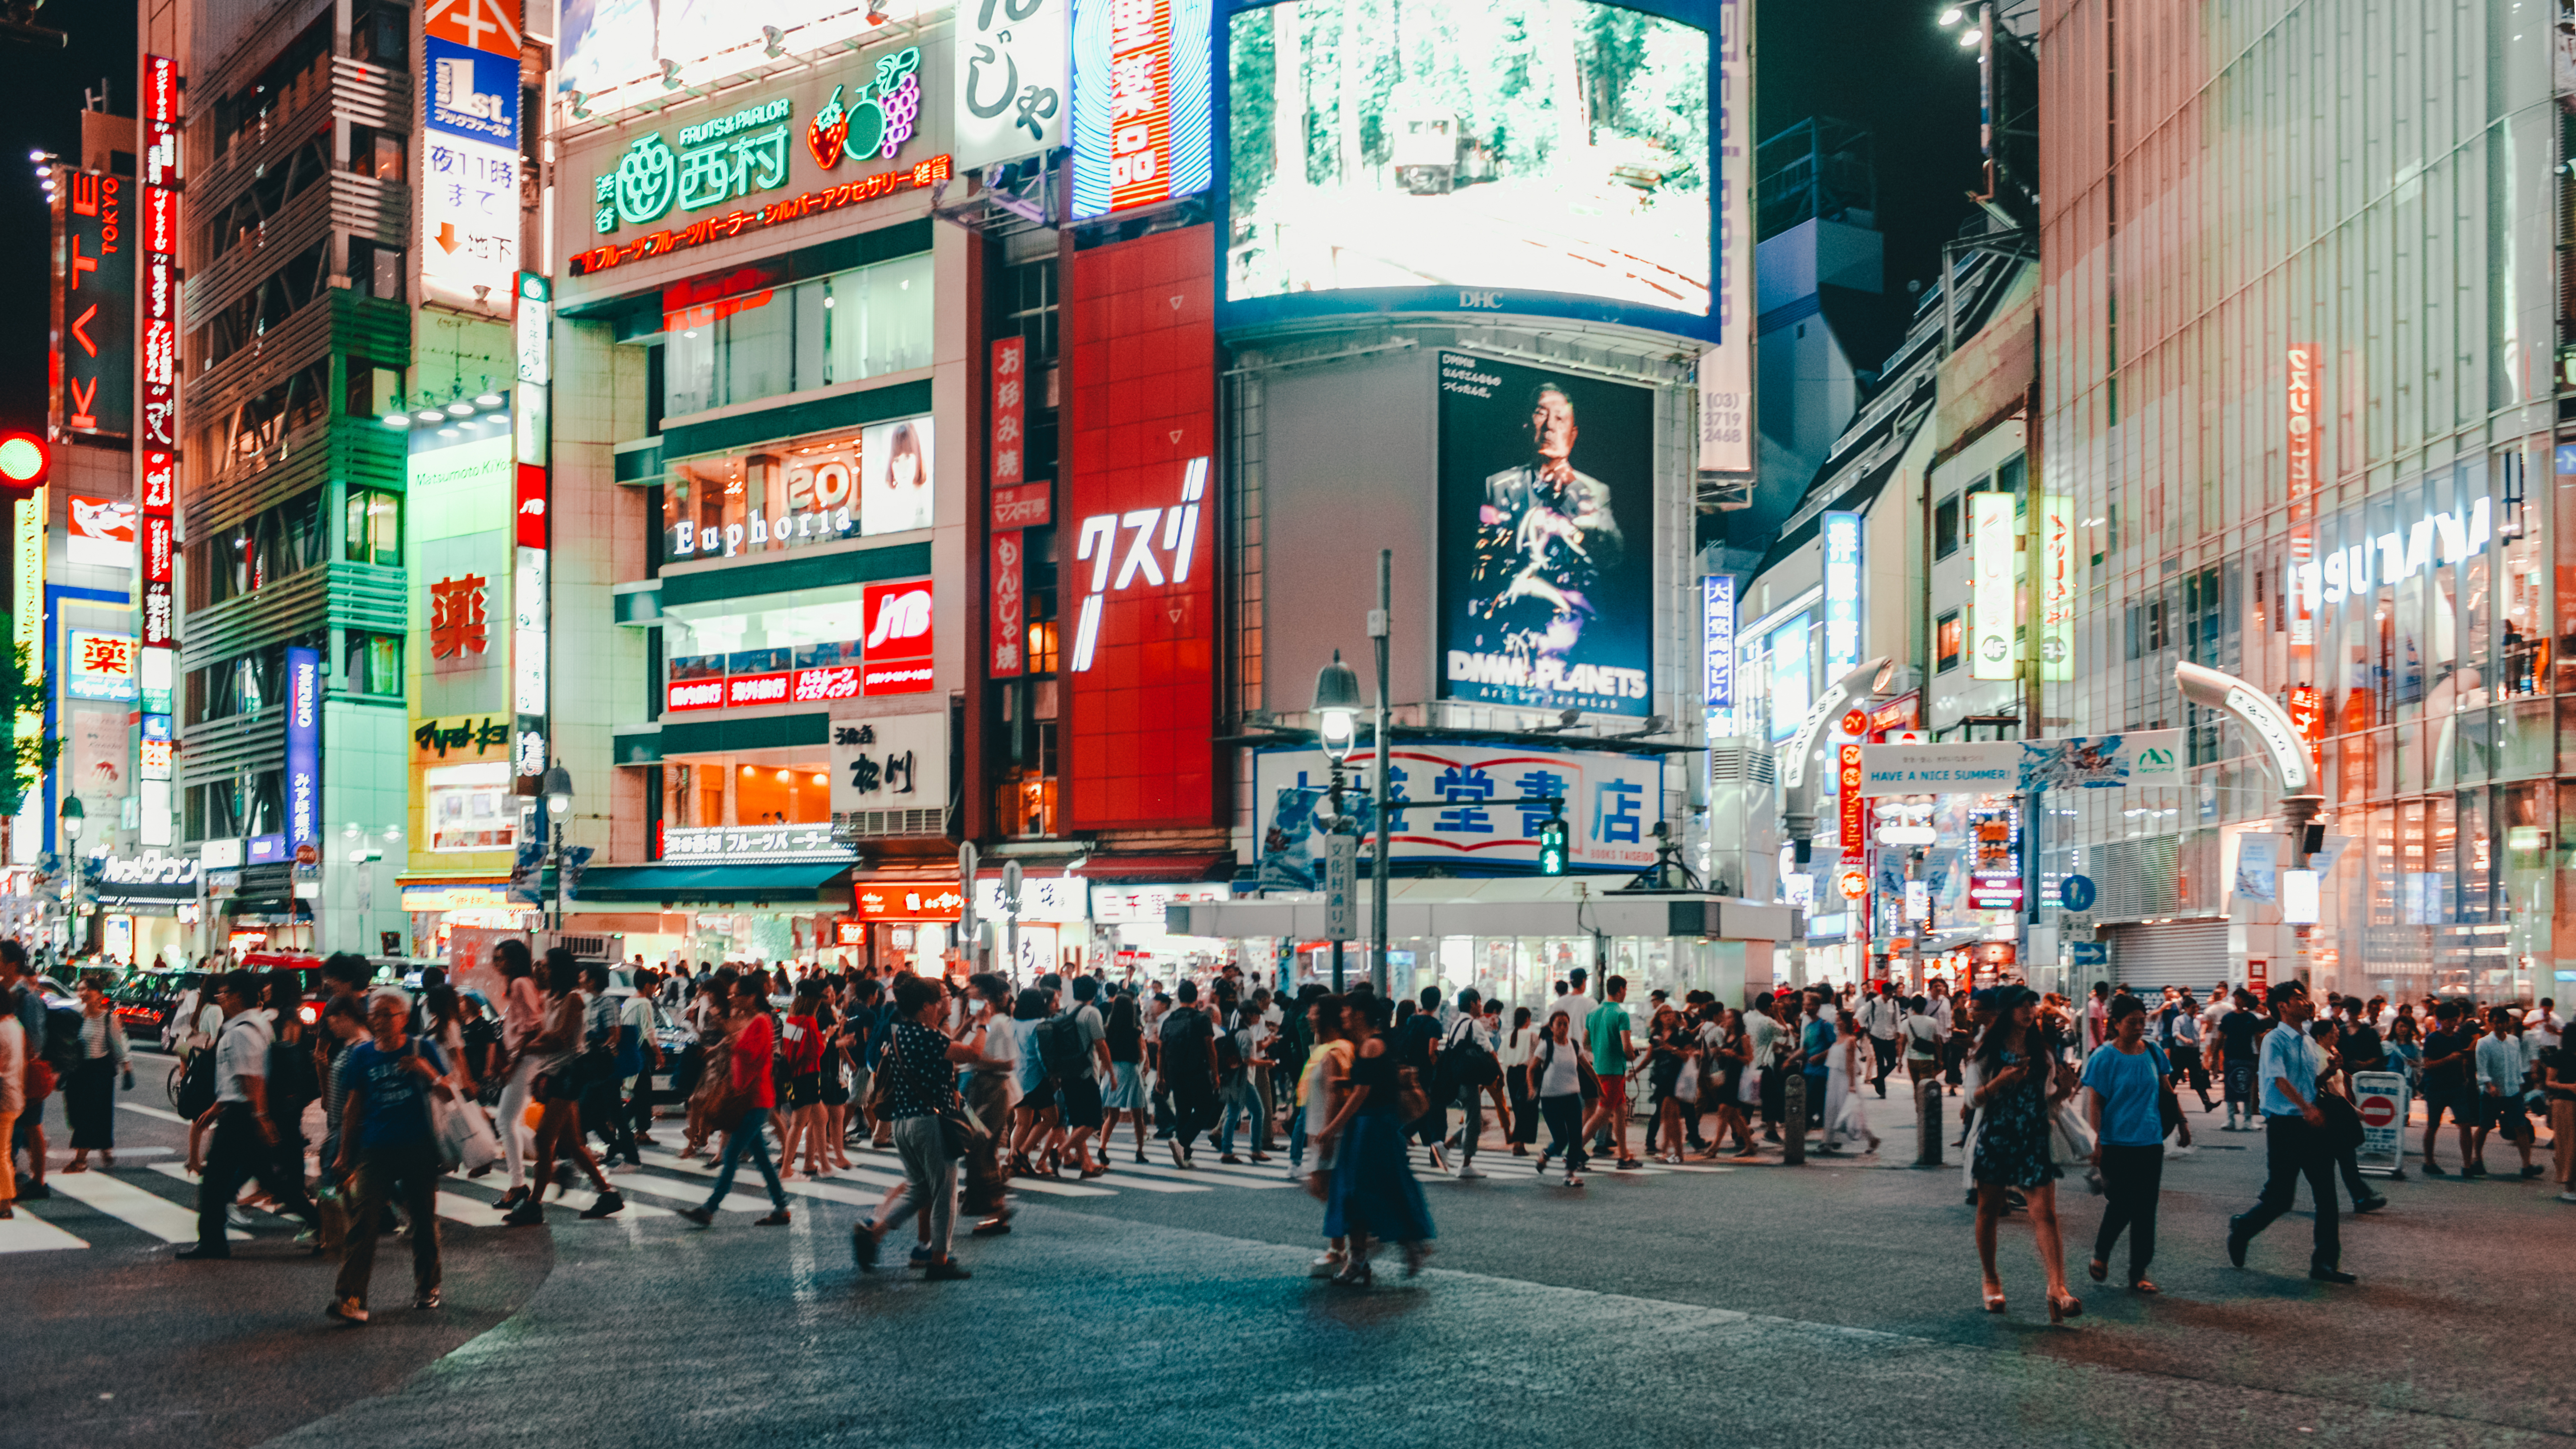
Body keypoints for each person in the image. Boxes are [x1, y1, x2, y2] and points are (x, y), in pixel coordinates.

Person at [852, 973, 996, 1280]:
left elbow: (946, 1047)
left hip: (904, 1122)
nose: (948, 1000)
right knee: (944, 1193)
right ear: (926, 1006)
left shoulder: (905, 1033)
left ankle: (875, 1231)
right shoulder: (927, 1036)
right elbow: (971, 1054)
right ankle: (939, 1260)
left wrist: (967, 1026)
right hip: (931, 1121)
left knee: (919, 1189)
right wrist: (983, 1024)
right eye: (942, 997)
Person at [328, 990, 450, 1323]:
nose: (379, 1020)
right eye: (375, 1014)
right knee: (362, 1220)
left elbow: (450, 1090)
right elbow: (354, 1105)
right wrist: (344, 1153)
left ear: (404, 1018)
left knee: (423, 1218)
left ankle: (428, 1285)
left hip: (418, 1146)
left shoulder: (422, 1048)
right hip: (375, 1147)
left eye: (387, 1014)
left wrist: (426, 1070)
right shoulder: (362, 1055)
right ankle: (351, 1297)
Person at [179, 970, 318, 1258]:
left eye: (224, 993)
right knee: (270, 1179)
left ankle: (213, 1242)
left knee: (216, 1180)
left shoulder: (242, 1031)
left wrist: (260, 1117)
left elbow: (251, 1078)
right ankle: (322, 1223)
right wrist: (220, 1107)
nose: (220, 998)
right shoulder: (257, 1023)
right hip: (246, 1111)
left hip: (244, 1115)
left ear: (238, 996)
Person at [2226, 981, 2354, 1284]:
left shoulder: (2308, 1041)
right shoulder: (2275, 1039)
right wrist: (2306, 1108)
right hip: (2286, 1125)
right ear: (2283, 1006)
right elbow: (2279, 1079)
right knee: (2281, 1198)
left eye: (2305, 997)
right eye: (2298, 998)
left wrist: (2329, 1070)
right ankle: (2242, 1229)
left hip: (2312, 1126)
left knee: (2326, 1193)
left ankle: (2324, 1263)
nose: (2306, 1002)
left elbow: (2310, 1081)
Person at [1968, 985, 2080, 1323]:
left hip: (2033, 1137)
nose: (2029, 1011)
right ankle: (1991, 1279)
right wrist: (2000, 1082)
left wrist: (2063, 1091)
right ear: (2005, 1012)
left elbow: (2046, 1099)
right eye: (2020, 1006)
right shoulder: (1986, 1051)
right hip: (1998, 1136)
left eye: (2031, 1005)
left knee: (2045, 1213)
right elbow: (1972, 1100)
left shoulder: (2043, 1051)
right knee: (1989, 1209)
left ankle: (2057, 1289)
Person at [1312, 993, 1436, 1286]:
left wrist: (1331, 1128)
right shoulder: (1370, 1044)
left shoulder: (1371, 1045)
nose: (1342, 1015)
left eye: (1347, 1010)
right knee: (1370, 1191)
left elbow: (1362, 1093)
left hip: (1371, 1129)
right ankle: (1374, 1255)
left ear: (1359, 1014)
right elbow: (1371, 1083)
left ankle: (1385, 1252)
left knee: (1365, 1191)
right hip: (1370, 1127)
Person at [682, 976, 792, 1227]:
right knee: (762, 1159)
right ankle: (781, 1208)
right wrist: (726, 1031)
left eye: (736, 994)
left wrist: (729, 1034)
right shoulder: (748, 1021)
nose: (731, 998)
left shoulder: (762, 1022)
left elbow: (750, 1054)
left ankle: (709, 1209)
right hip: (747, 1098)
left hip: (755, 1099)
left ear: (751, 997)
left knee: (731, 1155)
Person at [2082, 995, 2172, 1293]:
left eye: (2141, 1022)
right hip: (2114, 1143)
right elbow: (2096, 1103)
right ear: (2115, 1024)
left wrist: (2182, 1123)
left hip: (2149, 1141)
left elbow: (2166, 1091)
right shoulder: (2105, 1057)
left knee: (2146, 1208)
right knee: (2122, 1203)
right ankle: (2102, 1252)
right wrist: (2096, 1142)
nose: (2138, 1028)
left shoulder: (2154, 1052)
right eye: (2131, 1022)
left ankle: (2139, 1272)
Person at [1298, 993, 1354, 1276]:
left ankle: (1347, 1244)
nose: (1310, 1017)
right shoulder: (1328, 1049)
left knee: (1324, 1189)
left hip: (1330, 1131)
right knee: (1327, 1189)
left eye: (1315, 1012)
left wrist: (1330, 1132)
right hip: (1321, 1129)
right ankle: (1345, 1245)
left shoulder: (1336, 1050)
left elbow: (1336, 1093)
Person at [491, 940, 546, 1208]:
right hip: (525, 1059)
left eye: (501, 958)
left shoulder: (520, 984)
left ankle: (518, 1185)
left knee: (505, 1121)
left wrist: (514, 1063)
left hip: (525, 1060)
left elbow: (532, 1027)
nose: (496, 963)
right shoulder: (523, 983)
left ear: (514, 960)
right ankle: (520, 1183)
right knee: (510, 1121)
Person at [61, 974, 131, 1173]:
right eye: (80, 989)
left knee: (89, 1114)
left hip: (99, 1071)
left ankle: (81, 1160)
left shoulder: (109, 1018)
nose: (83, 993)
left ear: (100, 994)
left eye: (87, 990)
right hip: (78, 1070)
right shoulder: (76, 1016)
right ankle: (105, 1147)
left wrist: (127, 1066)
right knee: (77, 1113)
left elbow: (119, 1045)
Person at [1157, 980, 1221, 1168]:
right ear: (1196, 997)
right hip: (1197, 1071)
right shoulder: (1201, 1018)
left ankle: (1185, 1155)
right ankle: (1182, 1142)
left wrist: (1161, 1077)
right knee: (1204, 1109)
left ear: (1178, 997)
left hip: (1175, 1073)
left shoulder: (1170, 1019)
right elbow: (1210, 1048)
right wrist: (1215, 1074)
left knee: (1183, 1112)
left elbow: (1161, 1050)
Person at [2471, 1005, 2539, 1180]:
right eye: (2493, 1022)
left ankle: (2527, 1165)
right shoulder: (2484, 1043)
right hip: (2492, 1093)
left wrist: (2520, 1084)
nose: (2497, 1026)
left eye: (2500, 1022)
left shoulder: (2514, 1041)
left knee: (2521, 1127)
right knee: (2484, 1126)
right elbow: (2482, 1068)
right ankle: (2477, 1158)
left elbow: (2516, 1066)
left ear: (2507, 1023)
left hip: (2512, 1090)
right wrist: (2489, 1085)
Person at [1530, 1008, 1592, 1186]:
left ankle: (1570, 1173)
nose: (1563, 1028)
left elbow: (1587, 1067)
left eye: (1566, 1024)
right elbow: (1532, 1069)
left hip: (1572, 1096)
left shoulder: (1574, 1045)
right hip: (1550, 1099)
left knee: (1576, 1137)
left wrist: (1598, 1086)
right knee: (1561, 1140)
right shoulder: (1545, 1046)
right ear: (1551, 1027)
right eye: (1560, 1024)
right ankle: (1547, 1154)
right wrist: (1530, 1087)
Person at [1583, 975, 1639, 1170]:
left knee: (1621, 1111)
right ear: (1620, 990)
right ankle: (1573, 1153)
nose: (1625, 994)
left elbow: (1585, 1043)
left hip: (1600, 1069)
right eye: (1625, 990)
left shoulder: (1593, 1013)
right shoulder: (1621, 1015)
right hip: (1615, 1071)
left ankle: (1624, 1156)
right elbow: (1627, 1047)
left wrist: (1601, 1049)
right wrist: (1632, 1055)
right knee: (1601, 1115)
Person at [1441, 988, 1499, 1178]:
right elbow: (1489, 1050)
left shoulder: (1457, 1024)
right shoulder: (1473, 1025)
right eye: (1480, 1002)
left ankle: (1446, 1147)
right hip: (1468, 1079)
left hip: (1456, 1079)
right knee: (1474, 1122)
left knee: (1474, 1120)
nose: (1482, 1005)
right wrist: (1500, 1073)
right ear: (1473, 1003)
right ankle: (1466, 1164)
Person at [2418, 1000, 2477, 1175]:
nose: (2453, 1024)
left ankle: (2467, 1165)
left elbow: (2461, 1060)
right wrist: (2450, 1059)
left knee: (2465, 1123)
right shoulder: (2432, 1039)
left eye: (2455, 1020)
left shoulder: (2457, 1038)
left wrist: (2465, 1074)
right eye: (2449, 1020)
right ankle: (2429, 1162)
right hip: (2436, 1087)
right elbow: (2428, 1065)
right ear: (2440, 1020)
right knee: (2433, 1125)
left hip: (2457, 1086)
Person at [1101, 987, 1150, 1167]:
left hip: (1112, 1072)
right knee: (1138, 1114)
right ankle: (1139, 1151)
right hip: (1130, 1072)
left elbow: (1103, 1053)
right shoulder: (1136, 1031)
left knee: (1112, 1116)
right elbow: (1140, 1055)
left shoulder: (1108, 1031)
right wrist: (1144, 1065)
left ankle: (1103, 1147)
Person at [2212, 988, 2265, 1131]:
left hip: (2247, 1055)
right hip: (2231, 1055)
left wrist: (2261, 1056)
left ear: (2246, 1000)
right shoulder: (2228, 1018)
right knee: (2230, 1088)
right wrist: (2215, 1055)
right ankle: (2231, 1120)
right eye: (2236, 998)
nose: (2237, 1001)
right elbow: (2221, 1036)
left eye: (2240, 998)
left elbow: (2257, 1037)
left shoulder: (2252, 1018)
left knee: (2247, 1088)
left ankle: (2248, 1120)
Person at [0, 988, 22, 1217]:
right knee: (3, 1151)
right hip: (14, 1095)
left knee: (1, 1153)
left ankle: (5, 1203)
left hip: (3, 1098)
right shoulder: (15, 1026)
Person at [1860, 983, 1903, 1096]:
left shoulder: (1894, 1003)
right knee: (1880, 1063)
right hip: (1877, 1035)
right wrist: (1867, 1027)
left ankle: (1878, 1080)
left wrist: (1898, 1032)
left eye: (1892, 994)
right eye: (1889, 994)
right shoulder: (1874, 1003)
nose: (1890, 996)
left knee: (1892, 1063)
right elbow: (1862, 1015)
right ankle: (1882, 1090)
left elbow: (1897, 1019)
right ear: (1883, 993)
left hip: (1890, 1036)